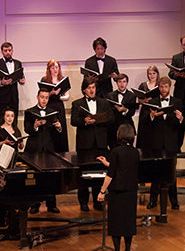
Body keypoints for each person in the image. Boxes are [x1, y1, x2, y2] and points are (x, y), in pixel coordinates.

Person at [71, 78, 115, 211]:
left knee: (99, 172)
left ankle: (98, 201)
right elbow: (73, 120)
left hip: (100, 143)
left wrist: (98, 120)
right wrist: (84, 121)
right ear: (84, 90)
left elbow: (112, 118)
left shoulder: (104, 103)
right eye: (89, 88)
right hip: (84, 144)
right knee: (83, 173)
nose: (92, 90)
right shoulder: (77, 103)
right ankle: (83, 202)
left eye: (93, 87)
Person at [144, 76, 185, 210]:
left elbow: (184, 124)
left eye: (166, 87)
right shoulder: (153, 102)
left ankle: (173, 201)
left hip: (171, 143)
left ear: (170, 87)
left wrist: (181, 118)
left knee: (171, 173)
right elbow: (145, 123)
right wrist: (152, 116)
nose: (163, 89)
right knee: (155, 172)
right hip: (156, 143)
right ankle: (153, 200)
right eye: (161, 87)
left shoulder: (178, 102)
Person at [97, 124, 140, 251]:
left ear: (120, 135)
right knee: (128, 223)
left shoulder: (115, 151)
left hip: (117, 192)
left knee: (116, 223)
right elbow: (124, 167)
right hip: (131, 191)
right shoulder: (135, 152)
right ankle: (127, 248)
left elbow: (111, 175)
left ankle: (117, 249)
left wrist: (102, 191)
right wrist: (108, 163)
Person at [24, 88, 62, 214]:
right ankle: (35, 204)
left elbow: (55, 131)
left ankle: (52, 204)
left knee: (50, 176)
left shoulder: (52, 112)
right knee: (35, 178)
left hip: (48, 148)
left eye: (46, 97)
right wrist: (35, 126)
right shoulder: (30, 112)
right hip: (34, 148)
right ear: (37, 97)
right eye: (42, 97)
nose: (44, 100)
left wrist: (59, 127)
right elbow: (26, 129)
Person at [0, 42, 25, 128]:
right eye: (5, 50)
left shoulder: (18, 63)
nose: (8, 52)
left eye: (9, 50)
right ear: (2, 52)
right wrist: (1, 83)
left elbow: (20, 77)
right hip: (1, 98)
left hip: (13, 97)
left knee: (14, 122)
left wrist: (22, 81)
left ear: (12, 51)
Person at [40, 59, 70, 152]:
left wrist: (59, 97)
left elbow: (67, 96)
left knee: (60, 130)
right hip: (49, 106)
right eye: (52, 68)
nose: (55, 70)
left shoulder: (62, 79)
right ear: (49, 69)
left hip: (59, 106)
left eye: (57, 67)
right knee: (50, 130)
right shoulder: (44, 80)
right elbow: (42, 96)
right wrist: (52, 93)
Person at [106, 73, 136, 149]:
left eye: (124, 81)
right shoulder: (110, 95)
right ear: (116, 83)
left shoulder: (132, 95)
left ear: (127, 83)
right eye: (120, 82)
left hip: (126, 128)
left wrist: (125, 110)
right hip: (113, 128)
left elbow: (132, 113)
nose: (122, 84)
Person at [136, 65, 160, 148]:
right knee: (144, 135)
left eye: (154, 73)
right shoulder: (143, 85)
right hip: (145, 112)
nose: (152, 75)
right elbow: (139, 100)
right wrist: (144, 100)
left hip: (156, 112)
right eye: (150, 73)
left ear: (157, 74)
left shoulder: (160, 86)